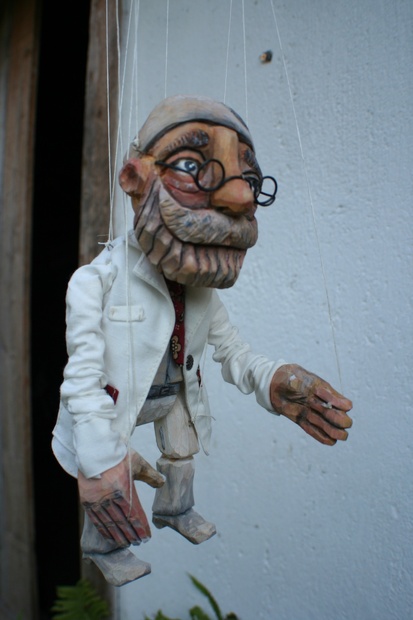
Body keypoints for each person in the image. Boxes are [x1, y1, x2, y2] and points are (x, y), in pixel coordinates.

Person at [52, 95, 353, 586]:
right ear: (133, 178)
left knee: (182, 446)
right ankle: (104, 543)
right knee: (110, 487)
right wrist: (99, 459)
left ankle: (175, 508)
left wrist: (274, 379)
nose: (239, 199)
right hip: (116, 406)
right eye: (191, 165)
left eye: (248, 179)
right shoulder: (95, 281)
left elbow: (233, 352)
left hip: (172, 395)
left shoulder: (201, 293)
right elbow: (81, 379)